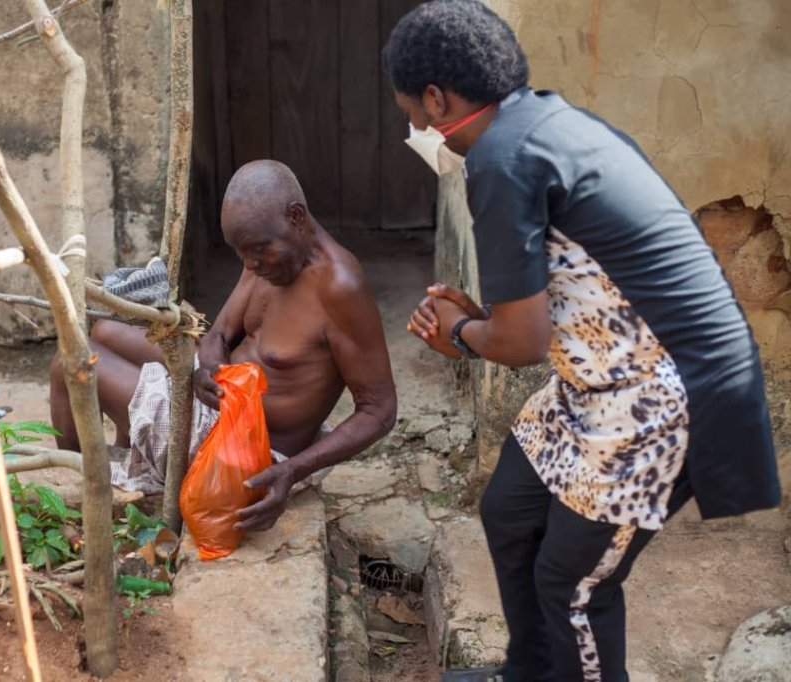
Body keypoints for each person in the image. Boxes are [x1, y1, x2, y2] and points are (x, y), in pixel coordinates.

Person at [382, 2, 780, 681]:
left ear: (436, 98)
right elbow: (560, 295)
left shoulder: (501, 158)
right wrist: (484, 320)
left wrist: (463, 335)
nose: (415, 129)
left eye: (412, 114)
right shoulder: (544, 123)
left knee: (573, 586)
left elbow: (521, 342)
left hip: (664, 396)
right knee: (510, 511)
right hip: (597, 377)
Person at [49, 160, 397, 531]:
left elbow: (379, 411)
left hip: (244, 449)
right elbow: (218, 335)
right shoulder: (262, 256)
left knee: (69, 363)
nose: (251, 264)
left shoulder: (339, 288)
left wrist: (292, 471)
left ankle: (82, 492)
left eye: (259, 250)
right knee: (106, 330)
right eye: (241, 253)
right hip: (219, 402)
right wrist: (208, 369)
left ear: (296, 217)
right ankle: (124, 459)